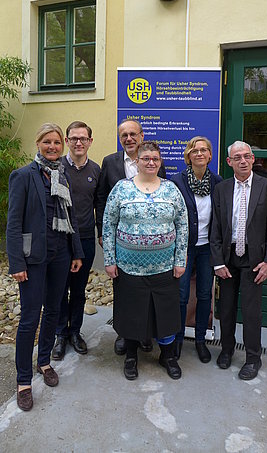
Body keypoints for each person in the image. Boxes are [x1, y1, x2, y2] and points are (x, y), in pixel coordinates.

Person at [6, 123, 83, 411]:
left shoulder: (62, 176)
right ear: (38, 143)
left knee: (54, 310)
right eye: (46, 142)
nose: (52, 147)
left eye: (56, 142)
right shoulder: (23, 176)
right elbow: (13, 224)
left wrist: (75, 252)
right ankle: (23, 380)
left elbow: (71, 218)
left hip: (60, 255)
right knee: (28, 318)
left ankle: (44, 361)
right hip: (33, 258)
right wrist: (16, 262)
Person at [103, 141, 188, 380]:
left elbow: (182, 225)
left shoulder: (171, 189)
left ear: (160, 162)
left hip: (164, 267)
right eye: (146, 158)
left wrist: (180, 259)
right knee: (132, 313)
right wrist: (109, 260)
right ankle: (131, 357)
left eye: (155, 159)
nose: (151, 162)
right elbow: (108, 225)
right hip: (129, 267)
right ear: (137, 161)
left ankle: (168, 356)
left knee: (166, 313)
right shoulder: (121, 188)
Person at [210, 141, 267, 380]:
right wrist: (218, 262)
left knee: (252, 312)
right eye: (237, 157)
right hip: (228, 259)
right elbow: (216, 228)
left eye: (247, 156)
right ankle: (227, 350)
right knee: (227, 309)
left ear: (253, 160)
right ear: (229, 162)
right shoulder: (221, 189)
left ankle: (253, 358)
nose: (243, 160)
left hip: (255, 260)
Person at [98, 119, 166, 356]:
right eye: (124, 135)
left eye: (133, 134)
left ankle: (145, 333)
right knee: (124, 289)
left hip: (151, 248)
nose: (128, 138)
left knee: (147, 292)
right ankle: (125, 335)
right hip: (121, 243)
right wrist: (102, 234)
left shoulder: (153, 161)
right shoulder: (109, 162)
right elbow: (102, 198)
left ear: (141, 135)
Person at [52, 121, 101, 360]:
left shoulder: (96, 171)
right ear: (67, 141)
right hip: (60, 240)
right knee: (60, 288)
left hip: (85, 238)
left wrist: (101, 232)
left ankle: (75, 332)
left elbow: (99, 205)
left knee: (79, 289)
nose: (78, 143)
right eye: (74, 138)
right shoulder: (55, 168)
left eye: (83, 138)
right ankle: (60, 334)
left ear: (90, 141)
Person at [172, 136, 222, 361]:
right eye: (195, 150)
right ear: (188, 156)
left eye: (204, 150)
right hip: (184, 247)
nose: (200, 153)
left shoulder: (218, 183)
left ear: (210, 155)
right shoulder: (177, 181)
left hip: (207, 248)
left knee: (203, 294)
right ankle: (178, 340)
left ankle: (201, 340)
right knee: (181, 296)